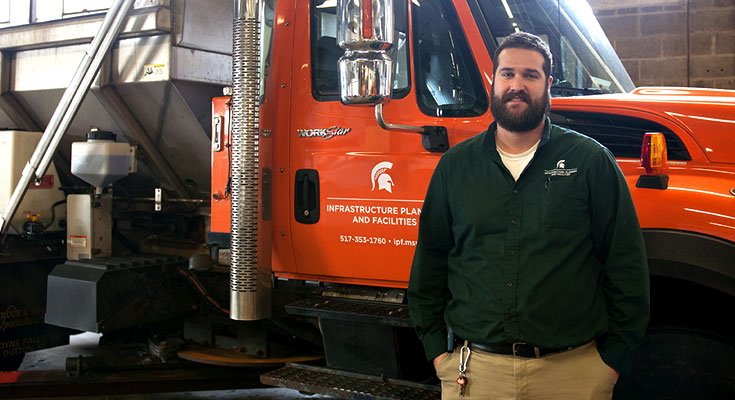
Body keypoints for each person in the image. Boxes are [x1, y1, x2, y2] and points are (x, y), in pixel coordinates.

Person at [407, 32, 649, 399]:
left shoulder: (590, 162)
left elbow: (625, 264)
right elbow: (430, 262)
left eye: (530, 76)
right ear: (493, 80)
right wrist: (437, 352)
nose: (516, 85)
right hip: (476, 374)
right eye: (507, 74)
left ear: (548, 84)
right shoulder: (455, 167)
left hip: (573, 374)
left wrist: (613, 361)